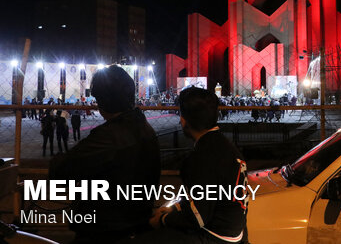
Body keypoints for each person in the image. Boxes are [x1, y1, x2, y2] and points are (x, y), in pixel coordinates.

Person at [49, 65, 161, 244]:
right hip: (137, 221)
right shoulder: (144, 127)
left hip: (105, 230)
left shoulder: (108, 137)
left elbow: (61, 170)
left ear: (103, 100)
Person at [126, 86, 248, 244]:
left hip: (214, 236)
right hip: (234, 233)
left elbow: (198, 218)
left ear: (184, 120)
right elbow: (205, 197)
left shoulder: (203, 156)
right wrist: (175, 209)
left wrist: (164, 220)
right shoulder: (228, 148)